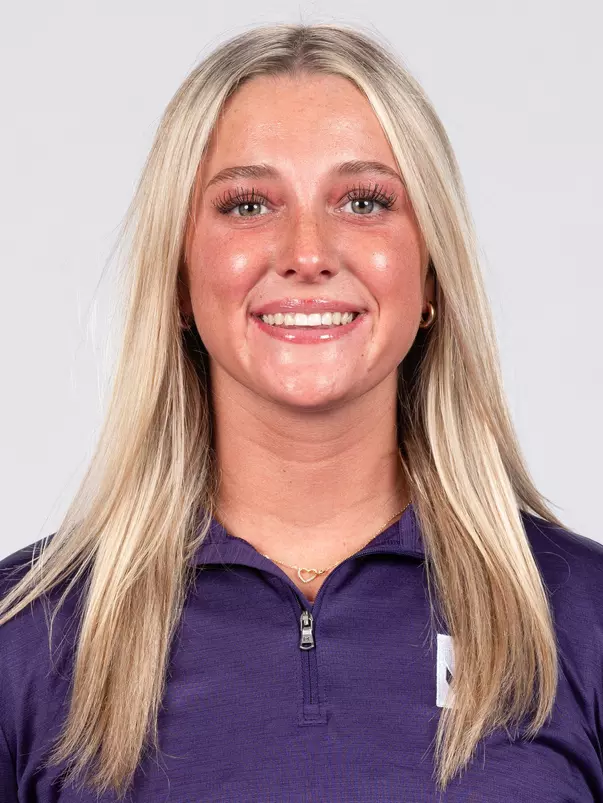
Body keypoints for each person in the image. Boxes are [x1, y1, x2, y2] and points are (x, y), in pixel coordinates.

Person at [0, 21, 602, 803]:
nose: (307, 250)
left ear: (430, 275)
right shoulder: (25, 637)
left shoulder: (583, 618)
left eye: (362, 200)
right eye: (248, 204)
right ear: (180, 280)